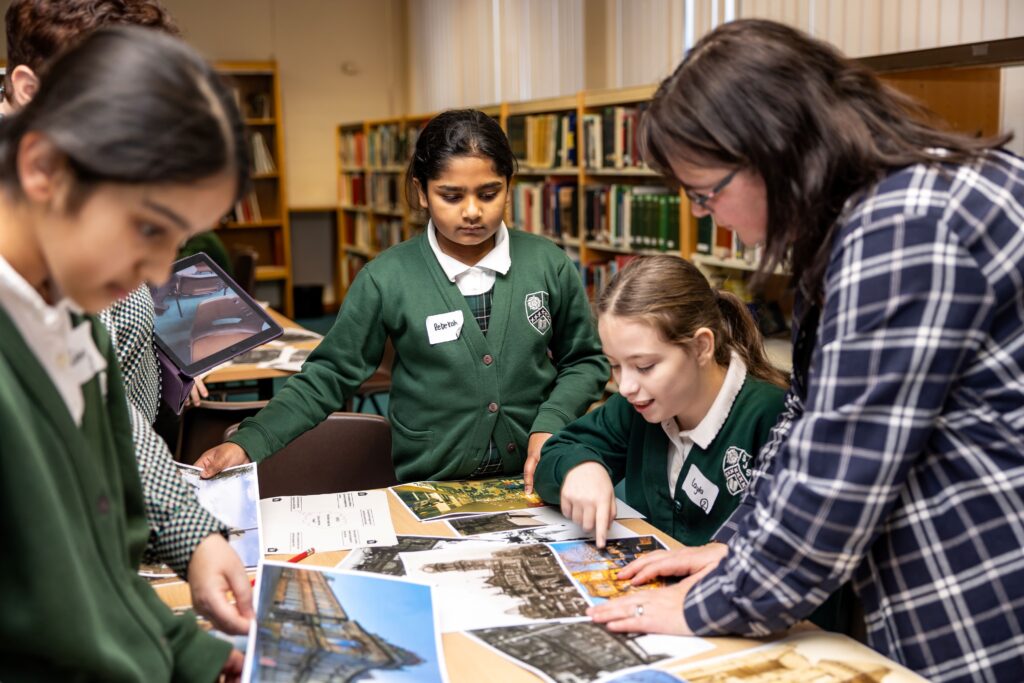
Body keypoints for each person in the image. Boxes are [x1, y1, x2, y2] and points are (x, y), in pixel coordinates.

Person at [586, 19, 1024, 683]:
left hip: (985, 602)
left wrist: (708, 602)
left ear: (774, 150)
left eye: (707, 193)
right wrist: (736, 544)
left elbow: (840, 475)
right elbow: (807, 423)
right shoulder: (864, 217)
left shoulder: (902, 226)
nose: (704, 215)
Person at [0, 26, 250, 680]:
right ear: (43, 168)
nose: (159, 270)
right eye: (147, 227)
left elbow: (95, 569)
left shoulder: (73, 315)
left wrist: (181, 647)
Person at [197, 109, 609, 486]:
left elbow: (585, 361)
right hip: (430, 482)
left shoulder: (547, 264)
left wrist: (550, 423)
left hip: (534, 478)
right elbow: (328, 376)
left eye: (488, 193)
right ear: (422, 191)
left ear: (509, 187)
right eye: (451, 195)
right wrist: (249, 443)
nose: (471, 211)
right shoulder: (386, 277)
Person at [534, 255, 786, 548]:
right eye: (614, 365)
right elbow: (554, 454)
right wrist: (579, 467)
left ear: (702, 346)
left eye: (644, 366)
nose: (625, 386)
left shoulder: (773, 416)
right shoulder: (637, 407)